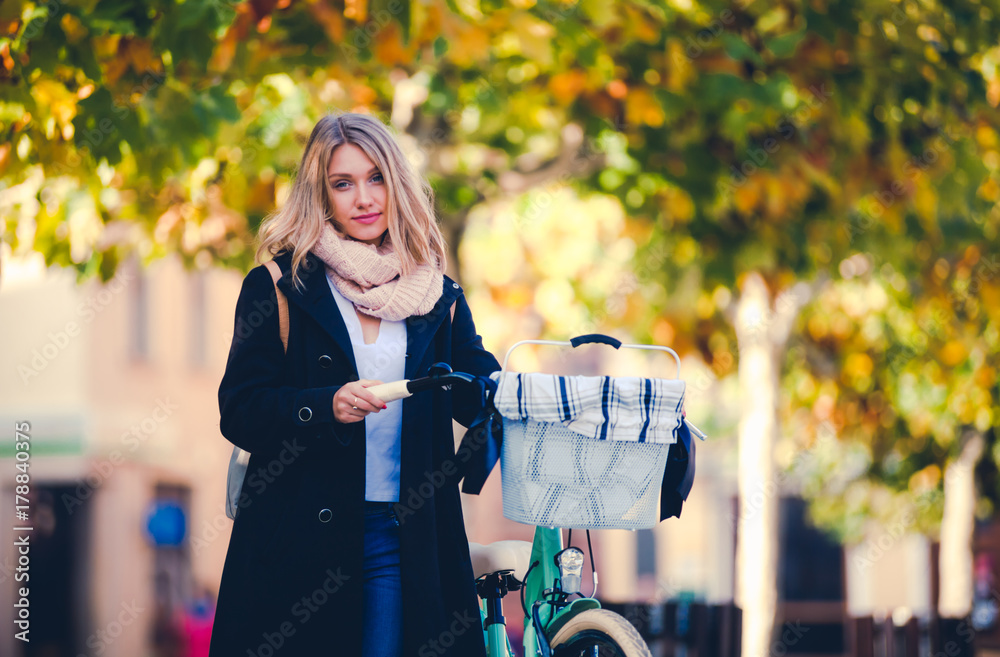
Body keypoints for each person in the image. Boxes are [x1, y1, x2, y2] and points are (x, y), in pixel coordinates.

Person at [209, 113, 500, 657]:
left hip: (402, 536)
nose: (364, 198)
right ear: (320, 197)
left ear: (397, 184)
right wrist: (324, 406)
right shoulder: (278, 285)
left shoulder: (437, 292)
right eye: (342, 184)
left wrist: (503, 391)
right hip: (297, 541)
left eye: (376, 178)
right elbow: (240, 409)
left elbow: (475, 383)